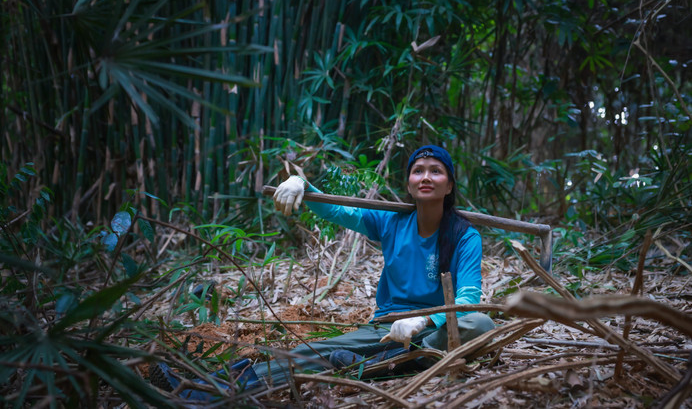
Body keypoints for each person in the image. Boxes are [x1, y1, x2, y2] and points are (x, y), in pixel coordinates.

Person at [150, 144, 494, 398]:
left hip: (431, 331)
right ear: (408, 183)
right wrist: (302, 185)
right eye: (418, 170)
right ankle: (204, 388)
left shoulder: (464, 235)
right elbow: (339, 211)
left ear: (449, 185)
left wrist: (425, 320)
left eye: (436, 170)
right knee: (311, 353)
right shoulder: (391, 221)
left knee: (480, 324)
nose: (425, 177)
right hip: (387, 329)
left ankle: (402, 361)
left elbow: (468, 299)